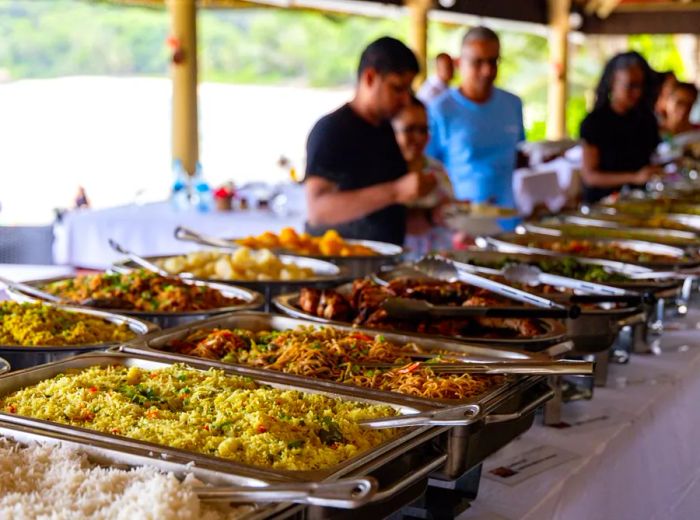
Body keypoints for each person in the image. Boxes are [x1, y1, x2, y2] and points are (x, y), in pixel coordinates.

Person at [304, 37, 435, 246]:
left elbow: (387, 216)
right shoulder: (332, 130)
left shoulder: (388, 130)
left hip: (385, 263)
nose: (405, 99)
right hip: (342, 264)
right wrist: (397, 191)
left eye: (408, 90)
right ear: (370, 78)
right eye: (398, 88)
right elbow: (318, 211)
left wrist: (432, 216)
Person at [426, 26, 525, 208]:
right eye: (478, 62)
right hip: (460, 225)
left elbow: (518, 156)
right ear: (459, 63)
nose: (487, 71)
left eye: (493, 62)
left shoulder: (513, 104)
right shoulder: (439, 109)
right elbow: (429, 168)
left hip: (508, 219)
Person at [579, 51, 662, 204]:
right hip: (602, 205)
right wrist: (634, 177)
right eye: (630, 86)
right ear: (612, 82)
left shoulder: (646, 120)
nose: (636, 93)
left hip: (640, 202)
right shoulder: (595, 123)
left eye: (640, 86)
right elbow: (590, 177)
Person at [392, 96, 454, 256]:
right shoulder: (381, 174)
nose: (419, 138)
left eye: (423, 130)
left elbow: (451, 211)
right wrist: (431, 216)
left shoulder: (436, 169)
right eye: (410, 129)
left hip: (439, 265)